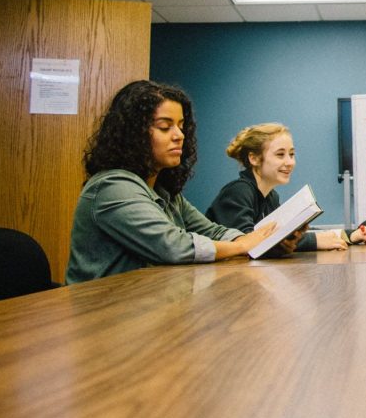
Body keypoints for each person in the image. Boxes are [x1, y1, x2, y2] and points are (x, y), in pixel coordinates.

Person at [66, 81, 277, 283]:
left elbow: (213, 231)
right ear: (133, 134)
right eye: (165, 127)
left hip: (143, 304)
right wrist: (243, 245)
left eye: (181, 126)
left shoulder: (164, 192)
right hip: (101, 312)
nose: (179, 135)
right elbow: (174, 247)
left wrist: (247, 241)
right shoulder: (112, 186)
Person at [206, 123, 366, 252]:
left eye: (292, 154)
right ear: (254, 159)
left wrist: (349, 234)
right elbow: (249, 244)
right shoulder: (238, 192)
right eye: (280, 155)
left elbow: (290, 233)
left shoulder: (271, 197)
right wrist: (317, 241)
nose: (289, 162)